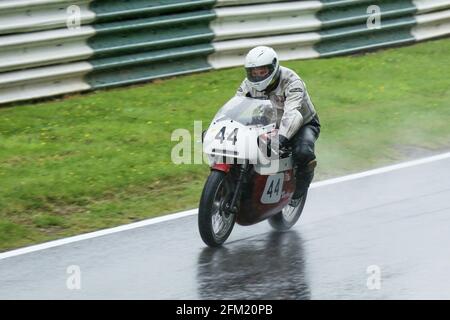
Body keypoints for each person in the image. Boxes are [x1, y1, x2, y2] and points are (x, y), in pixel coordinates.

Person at [235, 46, 320, 204]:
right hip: (268, 122)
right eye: (254, 72)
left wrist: (280, 139)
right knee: (243, 147)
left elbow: (292, 114)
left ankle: (301, 188)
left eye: (262, 71)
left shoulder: (292, 81)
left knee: (303, 152)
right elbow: (236, 105)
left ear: (273, 67)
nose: (258, 76)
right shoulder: (248, 84)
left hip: (302, 123)